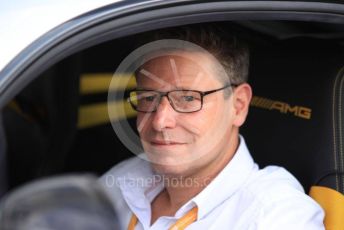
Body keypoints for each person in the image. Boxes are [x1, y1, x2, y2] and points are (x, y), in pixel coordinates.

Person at [100, 25, 325, 230]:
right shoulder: (123, 180)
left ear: (238, 106)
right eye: (148, 98)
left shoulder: (276, 216)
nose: (160, 121)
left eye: (188, 98)